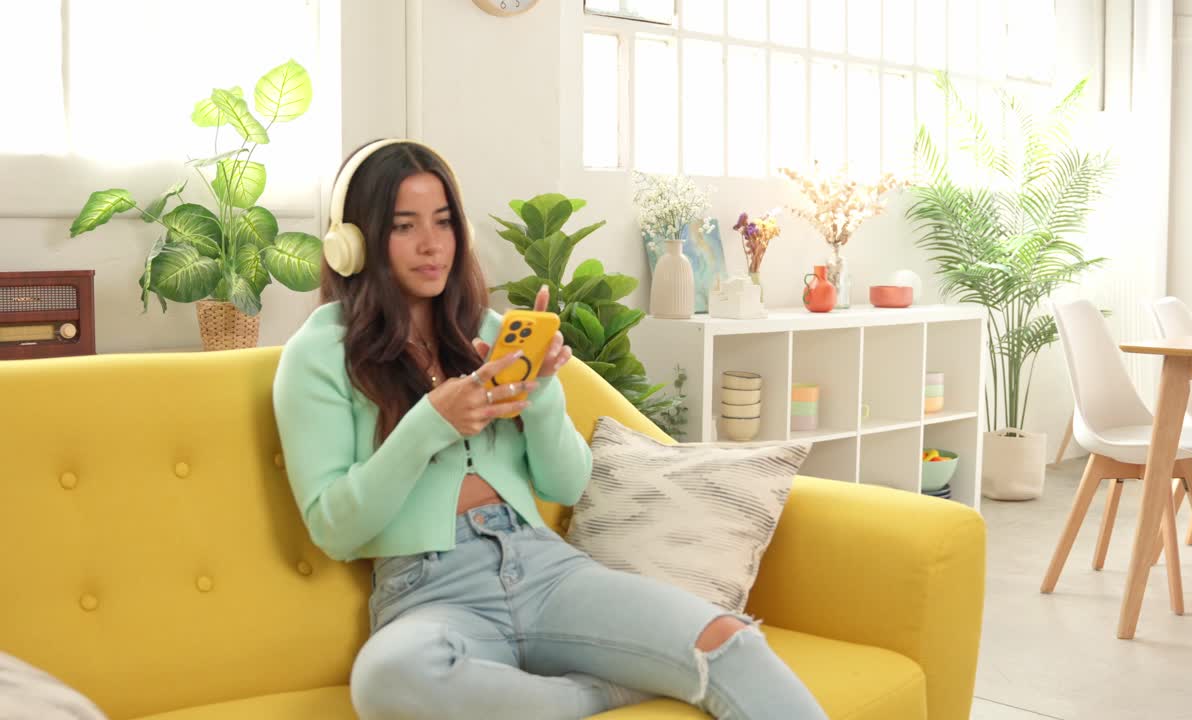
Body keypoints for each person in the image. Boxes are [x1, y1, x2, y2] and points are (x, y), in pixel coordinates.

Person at [272, 139, 827, 720]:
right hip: (429, 591)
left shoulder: (491, 331)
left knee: (726, 641)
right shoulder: (319, 353)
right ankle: (593, 693)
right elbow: (334, 527)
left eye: (443, 222)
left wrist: (539, 398)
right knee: (389, 678)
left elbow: (568, 485)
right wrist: (430, 423)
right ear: (353, 243)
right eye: (404, 226)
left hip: (545, 569)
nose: (432, 244)